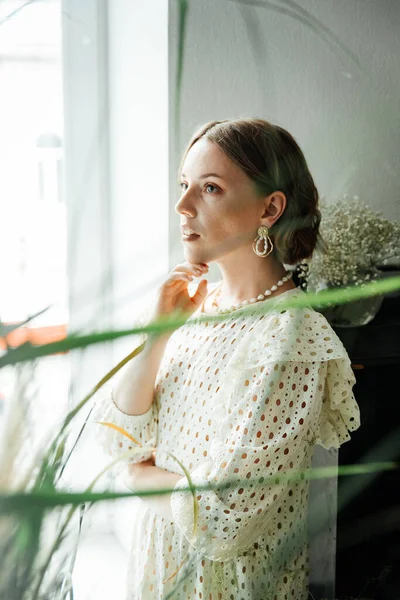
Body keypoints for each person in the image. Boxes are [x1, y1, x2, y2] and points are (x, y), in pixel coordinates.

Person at [91, 118, 361, 600]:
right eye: (183, 185)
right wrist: (158, 334)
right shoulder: (191, 307)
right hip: (160, 575)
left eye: (210, 188)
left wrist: (139, 477)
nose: (182, 205)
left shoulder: (292, 339)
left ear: (270, 208)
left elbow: (223, 519)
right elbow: (117, 439)